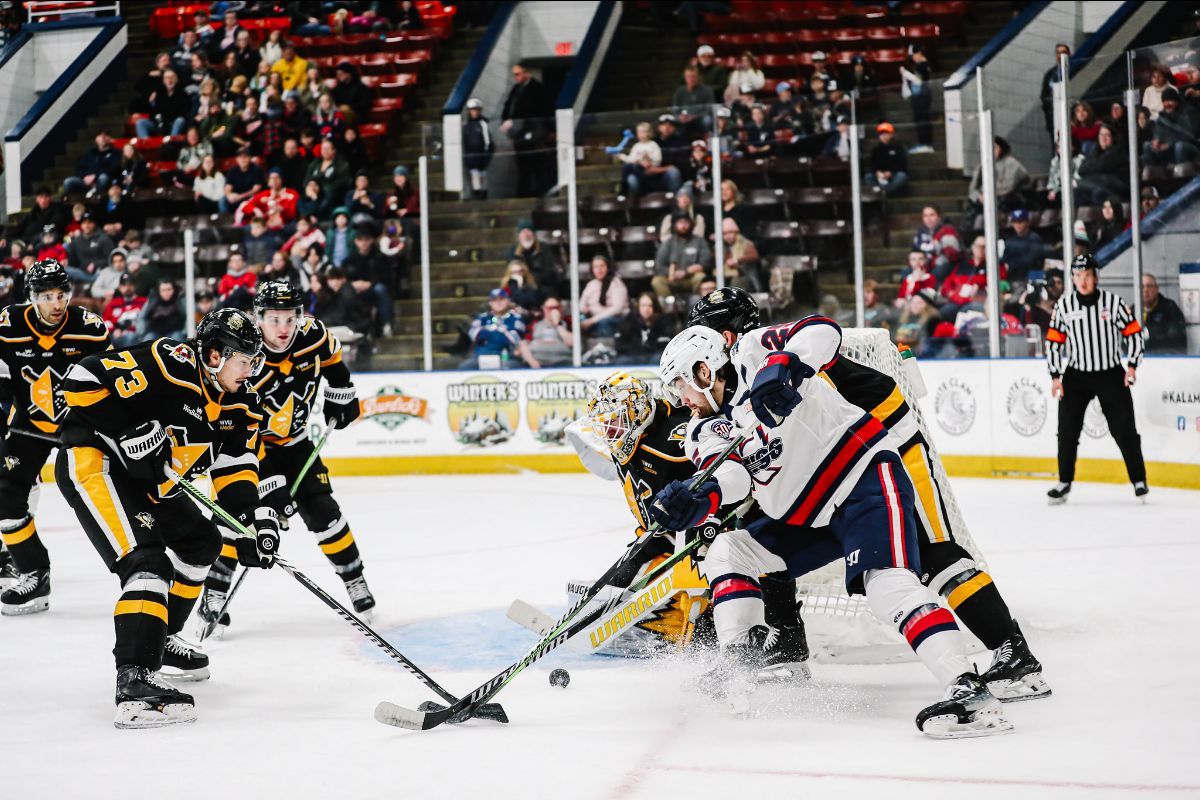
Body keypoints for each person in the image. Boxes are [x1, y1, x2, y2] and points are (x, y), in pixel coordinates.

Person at [685, 287, 1047, 702]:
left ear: (726, 335)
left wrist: (788, 363)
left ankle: (1012, 650)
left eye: (707, 332)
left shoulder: (763, 348)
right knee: (758, 530)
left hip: (884, 443)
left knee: (933, 550)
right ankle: (786, 638)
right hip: (832, 469)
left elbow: (820, 331)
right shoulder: (732, 389)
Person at [57, 308, 277, 727]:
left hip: (152, 482)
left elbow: (235, 467)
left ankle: (161, 639)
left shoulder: (242, 401)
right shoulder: (170, 361)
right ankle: (135, 682)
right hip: (96, 463)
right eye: (245, 360)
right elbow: (81, 379)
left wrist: (250, 520)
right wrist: (126, 429)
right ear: (215, 355)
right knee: (147, 564)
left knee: (202, 543)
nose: (252, 370)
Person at [200, 282, 374, 632]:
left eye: (290, 318)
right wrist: (270, 487)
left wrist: (341, 390)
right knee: (238, 518)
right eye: (274, 319)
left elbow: (333, 358)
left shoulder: (312, 334)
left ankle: (354, 578)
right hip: (248, 448)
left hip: (295, 444)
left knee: (324, 511)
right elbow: (240, 426)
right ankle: (214, 591)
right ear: (258, 317)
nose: (283, 329)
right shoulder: (245, 359)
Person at [0, 261, 111, 615]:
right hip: (27, 426)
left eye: (62, 294)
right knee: (4, 496)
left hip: (78, 427)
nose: (57, 303)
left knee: (108, 493)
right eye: (47, 296)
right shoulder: (8, 324)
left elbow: (111, 382)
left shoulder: (90, 328)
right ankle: (33, 573)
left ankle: (144, 565)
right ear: (32, 297)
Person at [1045, 253, 1148, 504]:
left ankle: (1138, 480)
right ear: (1072, 278)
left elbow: (1134, 334)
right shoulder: (1064, 306)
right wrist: (1056, 376)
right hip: (1076, 375)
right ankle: (1064, 482)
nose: (1083, 281)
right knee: (1067, 431)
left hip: (1111, 373)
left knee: (1124, 430)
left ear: (1096, 277)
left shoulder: (1113, 303)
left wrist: (1132, 365)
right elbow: (1053, 343)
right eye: (1078, 276)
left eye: (1087, 275)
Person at [501, 61, 553, 197]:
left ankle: (539, 191)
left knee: (536, 164)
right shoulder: (516, 89)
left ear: (526, 73)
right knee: (522, 165)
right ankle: (525, 192)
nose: (516, 78)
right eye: (515, 75)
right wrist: (507, 120)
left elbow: (539, 111)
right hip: (519, 134)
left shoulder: (538, 89)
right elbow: (508, 107)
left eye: (518, 74)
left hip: (534, 132)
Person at [460, 288, 530, 369]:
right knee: (465, 367)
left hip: (506, 356)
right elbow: (474, 335)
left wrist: (487, 332)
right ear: (490, 303)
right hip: (481, 356)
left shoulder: (516, 318)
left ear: (508, 301)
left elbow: (514, 339)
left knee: (512, 367)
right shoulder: (482, 317)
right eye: (494, 300)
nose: (498, 303)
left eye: (502, 299)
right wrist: (501, 333)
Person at [653, 211, 712, 299]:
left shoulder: (699, 241)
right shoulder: (668, 243)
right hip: (671, 279)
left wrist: (686, 272)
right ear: (674, 225)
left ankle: (697, 304)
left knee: (701, 277)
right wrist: (672, 273)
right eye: (680, 223)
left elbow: (706, 263)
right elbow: (659, 266)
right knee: (657, 281)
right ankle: (670, 306)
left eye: (686, 222)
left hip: (691, 278)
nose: (683, 226)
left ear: (691, 224)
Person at [969, 137, 1031, 214]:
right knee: (972, 200)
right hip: (986, 198)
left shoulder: (1011, 163)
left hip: (1008, 197)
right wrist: (979, 196)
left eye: (994, 147)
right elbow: (972, 189)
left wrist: (988, 195)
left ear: (1001, 149)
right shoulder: (982, 166)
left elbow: (1008, 187)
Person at [1141, 86, 1200, 166]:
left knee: (1180, 146)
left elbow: (1190, 136)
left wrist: (1169, 144)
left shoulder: (1189, 113)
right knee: (1147, 145)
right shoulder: (1162, 117)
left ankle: (1181, 174)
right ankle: (1156, 173)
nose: (1167, 104)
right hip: (1167, 148)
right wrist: (1156, 140)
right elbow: (1158, 131)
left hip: (1189, 147)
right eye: (1164, 101)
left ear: (1176, 101)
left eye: (1169, 101)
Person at [1074, 123, 1128, 207]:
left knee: (1097, 189)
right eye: (1101, 135)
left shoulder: (1118, 152)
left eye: (1107, 135)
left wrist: (1093, 166)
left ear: (1113, 138)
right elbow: (1081, 170)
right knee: (1076, 192)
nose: (1103, 138)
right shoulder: (1094, 152)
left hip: (1115, 188)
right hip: (1096, 186)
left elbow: (1102, 166)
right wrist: (1096, 165)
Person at [615, 292, 676, 364]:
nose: (646, 309)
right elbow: (620, 344)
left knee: (658, 358)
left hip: (653, 356)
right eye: (643, 305)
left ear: (655, 307)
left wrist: (646, 349)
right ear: (638, 307)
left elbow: (665, 345)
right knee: (622, 360)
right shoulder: (628, 321)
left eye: (650, 306)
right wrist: (637, 350)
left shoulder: (664, 321)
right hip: (633, 356)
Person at [578, 255, 629, 339]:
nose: (599, 270)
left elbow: (617, 308)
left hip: (615, 319)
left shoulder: (616, 283)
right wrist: (584, 310)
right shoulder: (591, 284)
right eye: (596, 267)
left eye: (602, 266)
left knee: (604, 323)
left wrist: (593, 320)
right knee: (578, 321)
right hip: (592, 318)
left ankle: (605, 347)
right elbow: (581, 304)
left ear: (608, 267)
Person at [510, 220, 562, 297]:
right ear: (519, 236)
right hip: (522, 289)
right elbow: (510, 273)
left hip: (543, 289)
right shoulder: (513, 252)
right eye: (523, 232)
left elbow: (550, 272)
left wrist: (532, 278)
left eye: (528, 231)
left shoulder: (544, 248)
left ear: (534, 234)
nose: (526, 235)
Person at [618, 122, 671, 196]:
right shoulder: (636, 146)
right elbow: (631, 159)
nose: (642, 134)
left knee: (633, 167)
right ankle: (623, 192)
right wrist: (619, 155)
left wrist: (648, 160)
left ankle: (642, 190)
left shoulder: (653, 145)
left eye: (644, 132)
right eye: (640, 132)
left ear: (649, 133)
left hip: (649, 169)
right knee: (626, 167)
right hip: (637, 169)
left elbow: (658, 160)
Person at [911, 205, 963, 282]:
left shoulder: (948, 230)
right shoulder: (921, 232)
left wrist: (936, 248)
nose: (928, 219)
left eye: (932, 215)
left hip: (944, 265)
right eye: (925, 216)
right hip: (926, 265)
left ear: (939, 217)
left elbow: (953, 256)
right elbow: (915, 250)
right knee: (906, 273)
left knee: (936, 273)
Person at [64, 131, 122, 196]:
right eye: (100, 135)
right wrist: (84, 177)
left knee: (103, 177)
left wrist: (95, 176)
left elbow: (114, 169)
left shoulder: (115, 153)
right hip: (87, 181)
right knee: (68, 181)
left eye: (105, 135)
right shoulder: (90, 152)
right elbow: (79, 168)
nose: (103, 137)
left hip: (105, 181)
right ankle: (72, 203)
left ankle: (99, 200)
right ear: (96, 139)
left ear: (110, 139)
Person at [1141, 273, 1188, 354]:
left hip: (1165, 361)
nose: (1145, 290)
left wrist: (1150, 337)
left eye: (1149, 286)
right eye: (1142, 287)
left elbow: (1178, 339)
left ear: (1156, 288)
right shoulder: (1134, 310)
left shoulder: (1169, 308)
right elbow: (1124, 343)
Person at [137, 69, 190, 138]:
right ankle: (147, 143)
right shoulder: (159, 93)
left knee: (180, 120)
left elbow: (184, 112)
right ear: (164, 80)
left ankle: (171, 143)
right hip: (159, 123)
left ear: (176, 79)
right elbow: (153, 111)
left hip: (173, 123)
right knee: (141, 123)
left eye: (172, 77)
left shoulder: (182, 93)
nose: (169, 80)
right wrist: (151, 103)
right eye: (167, 78)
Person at [65, 212, 115, 285]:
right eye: (84, 223)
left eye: (90, 222)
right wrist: (65, 259)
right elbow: (73, 262)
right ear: (81, 225)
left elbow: (111, 258)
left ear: (95, 224)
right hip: (82, 273)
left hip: (100, 274)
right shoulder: (77, 241)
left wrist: (96, 264)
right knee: (62, 269)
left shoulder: (103, 238)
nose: (87, 225)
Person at [902, 44, 934, 155]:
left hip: (922, 97)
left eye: (914, 55)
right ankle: (924, 143)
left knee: (923, 120)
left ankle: (926, 144)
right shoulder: (921, 65)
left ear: (919, 53)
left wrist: (905, 73)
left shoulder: (923, 66)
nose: (913, 58)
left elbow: (919, 81)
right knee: (920, 119)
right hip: (920, 97)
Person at [525, 297, 574, 369]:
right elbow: (524, 344)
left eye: (556, 307)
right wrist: (531, 360)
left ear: (560, 308)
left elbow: (572, 342)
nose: (553, 311)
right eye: (550, 308)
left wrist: (557, 323)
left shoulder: (568, 322)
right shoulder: (535, 323)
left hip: (563, 362)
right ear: (544, 309)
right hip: (539, 361)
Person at [1000, 209, 1045, 285]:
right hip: (1015, 278)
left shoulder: (1034, 238)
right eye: (1015, 222)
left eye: (1020, 222)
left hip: (1033, 277)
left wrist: (1011, 265)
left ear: (1027, 222)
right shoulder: (1011, 240)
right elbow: (1005, 259)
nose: (1018, 225)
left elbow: (1031, 260)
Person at [462, 97, 494, 200]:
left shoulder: (483, 124)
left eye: (476, 110)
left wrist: (486, 155)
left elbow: (488, 141)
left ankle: (483, 193)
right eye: (472, 110)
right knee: (474, 174)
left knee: (482, 174)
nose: (474, 112)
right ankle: (477, 193)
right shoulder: (466, 125)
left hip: (481, 154)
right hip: (471, 154)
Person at [719, 217, 763, 292]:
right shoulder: (724, 247)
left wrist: (737, 260)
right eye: (724, 234)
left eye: (730, 233)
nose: (727, 236)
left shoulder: (745, 243)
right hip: (731, 276)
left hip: (748, 278)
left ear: (736, 233)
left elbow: (754, 256)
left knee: (736, 283)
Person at [136, 279, 186, 343]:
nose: (166, 293)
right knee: (148, 340)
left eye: (169, 289)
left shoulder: (180, 298)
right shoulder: (152, 299)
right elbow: (142, 317)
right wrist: (142, 332)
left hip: (175, 331)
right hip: (154, 332)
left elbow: (190, 315)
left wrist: (185, 332)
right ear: (159, 291)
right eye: (163, 290)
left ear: (174, 289)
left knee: (177, 339)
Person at [866, 122, 909, 196]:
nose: (884, 136)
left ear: (891, 134)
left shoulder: (898, 148)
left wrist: (890, 172)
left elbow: (902, 164)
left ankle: (885, 191)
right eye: (882, 134)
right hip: (879, 176)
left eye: (886, 133)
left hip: (893, 175)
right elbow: (871, 164)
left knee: (901, 176)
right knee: (868, 177)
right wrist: (877, 172)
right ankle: (880, 191)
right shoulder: (876, 150)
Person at [1040, 43, 1071, 143]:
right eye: (1058, 53)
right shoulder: (1050, 74)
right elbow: (1044, 95)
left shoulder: (1073, 70)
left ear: (1069, 54)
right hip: (1053, 116)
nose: (1061, 55)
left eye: (1064, 52)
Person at [673, 66, 716, 136]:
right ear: (685, 78)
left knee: (707, 120)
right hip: (684, 118)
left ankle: (706, 139)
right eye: (689, 76)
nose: (691, 79)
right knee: (672, 120)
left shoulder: (707, 90)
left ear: (698, 77)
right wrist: (680, 116)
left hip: (700, 117)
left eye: (693, 76)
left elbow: (709, 109)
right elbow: (675, 108)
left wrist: (694, 116)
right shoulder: (679, 91)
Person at [221, 147, 266, 215]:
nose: (243, 159)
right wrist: (229, 195)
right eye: (240, 157)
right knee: (223, 200)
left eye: (245, 157)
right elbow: (227, 187)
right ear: (237, 159)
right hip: (236, 197)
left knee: (254, 199)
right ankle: (226, 222)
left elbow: (256, 189)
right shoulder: (232, 171)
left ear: (250, 158)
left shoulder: (256, 169)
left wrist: (240, 197)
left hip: (250, 197)